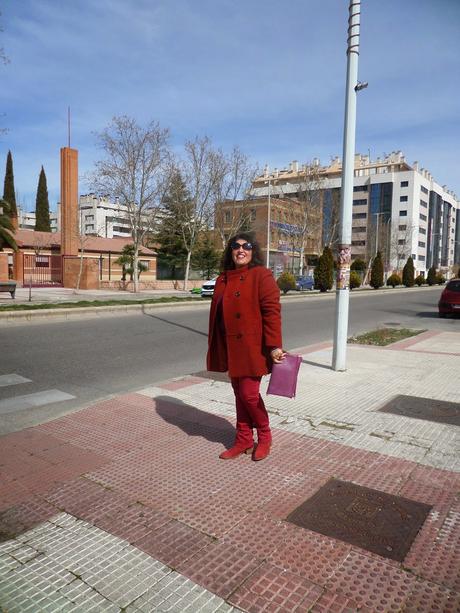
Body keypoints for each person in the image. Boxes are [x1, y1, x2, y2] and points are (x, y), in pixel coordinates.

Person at [207, 232, 284, 461]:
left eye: (246, 246)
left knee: (249, 395)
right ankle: (243, 439)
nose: (241, 250)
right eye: (236, 246)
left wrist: (274, 346)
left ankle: (265, 436)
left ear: (253, 251)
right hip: (231, 346)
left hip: (253, 347)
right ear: (230, 251)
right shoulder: (223, 278)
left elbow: (272, 312)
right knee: (239, 394)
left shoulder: (261, 275)